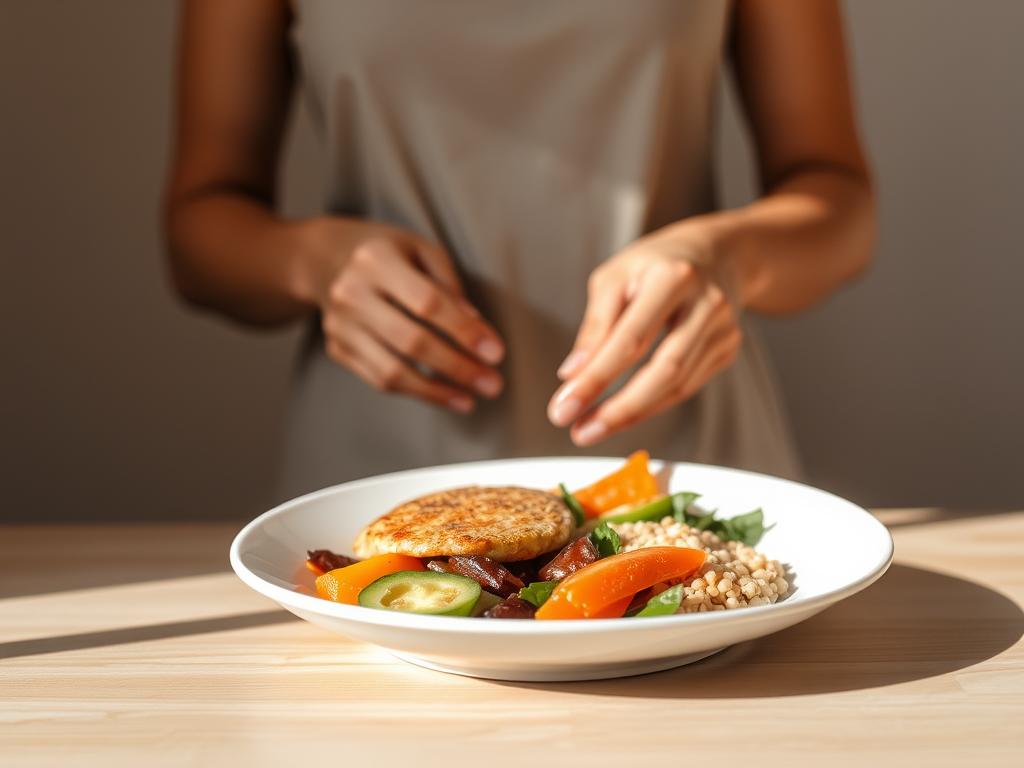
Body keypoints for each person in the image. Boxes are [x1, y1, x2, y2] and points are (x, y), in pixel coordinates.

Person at [163, 0, 875, 500]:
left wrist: (727, 256)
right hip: (374, 480)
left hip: (684, 470)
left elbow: (841, 202)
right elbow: (197, 233)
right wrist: (313, 263)